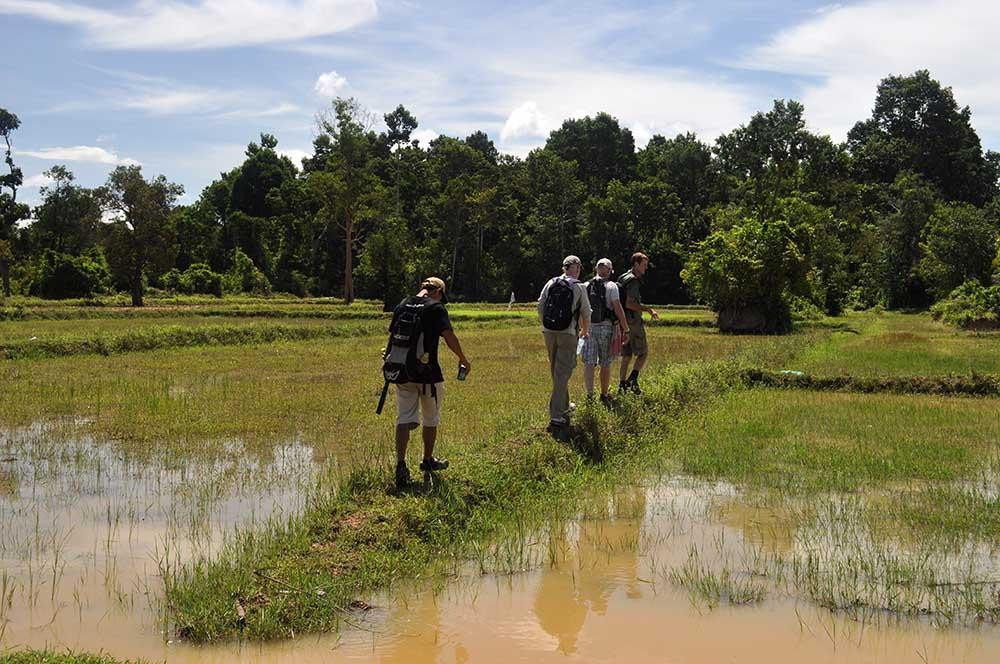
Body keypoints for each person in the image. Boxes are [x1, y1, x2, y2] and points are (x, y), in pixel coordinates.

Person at [388, 277, 471, 488]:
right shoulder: (436, 308)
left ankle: (400, 465)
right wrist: (462, 358)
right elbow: (449, 336)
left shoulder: (402, 304)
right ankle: (427, 460)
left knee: (403, 418)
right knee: (431, 417)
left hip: (401, 371)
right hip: (428, 374)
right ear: (439, 292)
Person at [538, 255, 591, 439]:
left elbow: (540, 305)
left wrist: (545, 325)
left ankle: (565, 406)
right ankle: (556, 416)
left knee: (556, 370)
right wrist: (585, 331)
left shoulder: (551, 283)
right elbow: (586, 312)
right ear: (576, 268)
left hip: (548, 331)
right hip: (568, 332)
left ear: (563, 268)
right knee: (563, 372)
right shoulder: (579, 286)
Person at [582, 258, 629, 406]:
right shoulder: (612, 286)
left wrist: (580, 328)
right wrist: (625, 328)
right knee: (605, 362)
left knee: (589, 362)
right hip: (606, 328)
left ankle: (590, 396)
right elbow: (617, 308)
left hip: (588, 327)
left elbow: (580, 310)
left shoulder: (585, 285)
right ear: (609, 270)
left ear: (596, 269)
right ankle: (604, 394)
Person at [618, 252, 659, 395]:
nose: (646, 268)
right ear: (636, 264)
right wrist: (648, 309)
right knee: (643, 353)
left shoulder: (622, 277)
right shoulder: (633, 281)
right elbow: (630, 303)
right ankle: (632, 380)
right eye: (644, 265)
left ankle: (622, 385)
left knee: (627, 355)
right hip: (633, 322)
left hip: (622, 322)